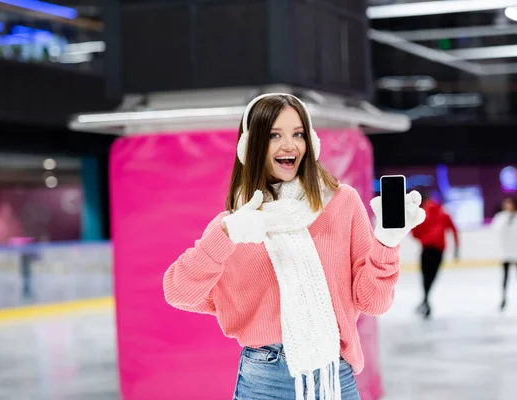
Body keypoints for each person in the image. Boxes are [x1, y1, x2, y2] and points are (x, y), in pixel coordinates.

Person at [162, 93, 425, 400]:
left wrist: (386, 244)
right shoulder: (235, 224)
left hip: (334, 377)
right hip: (264, 380)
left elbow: (374, 303)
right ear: (252, 146)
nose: (289, 145)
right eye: (274, 135)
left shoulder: (342, 204)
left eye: (297, 134)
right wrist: (225, 235)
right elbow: (178, 292)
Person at [411, 190, 459, 319]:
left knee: (425, 277)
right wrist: (456, 248)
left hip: (426, 249)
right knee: (432, 277)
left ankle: (425, 302)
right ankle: (426, 301)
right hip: (438, 251)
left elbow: (414, 232)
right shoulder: (443, 213)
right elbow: (454, 230)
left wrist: (423, 239)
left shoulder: (423, 214)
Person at [491, 197, 517, 311]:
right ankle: (503, 297)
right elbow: (495, 230)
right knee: (505, 277)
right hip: (506, 251)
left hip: (515, 250)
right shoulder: (501, 217)